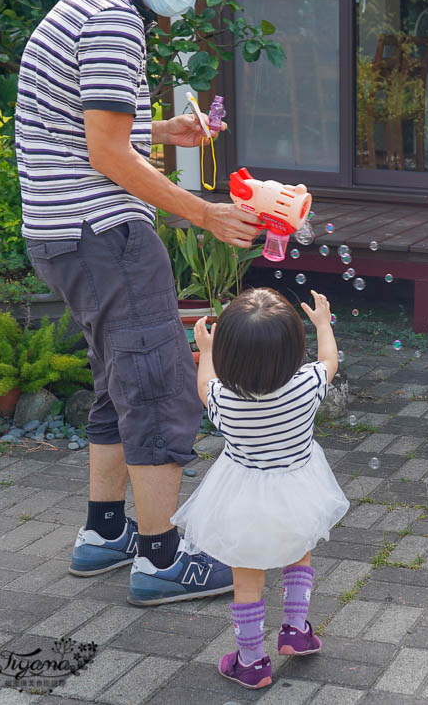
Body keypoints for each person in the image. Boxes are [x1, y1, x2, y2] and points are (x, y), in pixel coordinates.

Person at [16, 0, 268, 605]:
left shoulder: (93, 2)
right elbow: (105, 154)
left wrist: (158, 129)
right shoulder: (111, 19)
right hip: (105, 235)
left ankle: (106, 531)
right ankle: (161, 558)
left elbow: (82, 126)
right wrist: (204, 213)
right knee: (157, 386)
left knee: (118, 379)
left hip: (61, 231)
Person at [172, 288, 349, 690]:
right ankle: (296, 630)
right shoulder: (306, 386)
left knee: (246, 574)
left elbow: (205, 384)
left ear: (231, 355)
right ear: (291, 350)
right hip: (299, 490)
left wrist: (206, 351)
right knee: (299, 547)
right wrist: (323, 323)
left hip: (242, 498)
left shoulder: (224, 399)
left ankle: (251, 662)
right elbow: (328, 361)